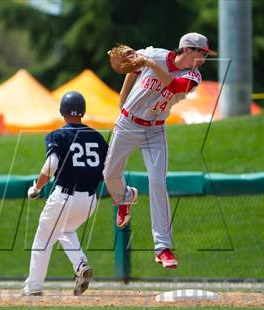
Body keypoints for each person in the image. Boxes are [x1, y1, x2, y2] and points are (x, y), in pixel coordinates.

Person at [103, 32, 216, 269]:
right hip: (128, 123)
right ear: (187, 49)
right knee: (109, 174)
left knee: (157, 183)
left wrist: (149, 63)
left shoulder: (193, 76)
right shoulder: (154, 53)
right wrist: (122, 99)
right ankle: (124, 198)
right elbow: (131, 68)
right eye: (202, 53)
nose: (204, 58)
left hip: (155, 130)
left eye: (205, 54)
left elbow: (173, 86)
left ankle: (163, 248)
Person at [23, 91, 109, 296]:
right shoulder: (97, 137)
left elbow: (52, 165)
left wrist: (36, 188)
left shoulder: (58, 135)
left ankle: (33, 287)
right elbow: (109, 170)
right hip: (90, 199)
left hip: (65, 196)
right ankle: (80, 265)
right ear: (83, 111)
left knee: (43, 240)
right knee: (65, 231)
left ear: (62, 111)